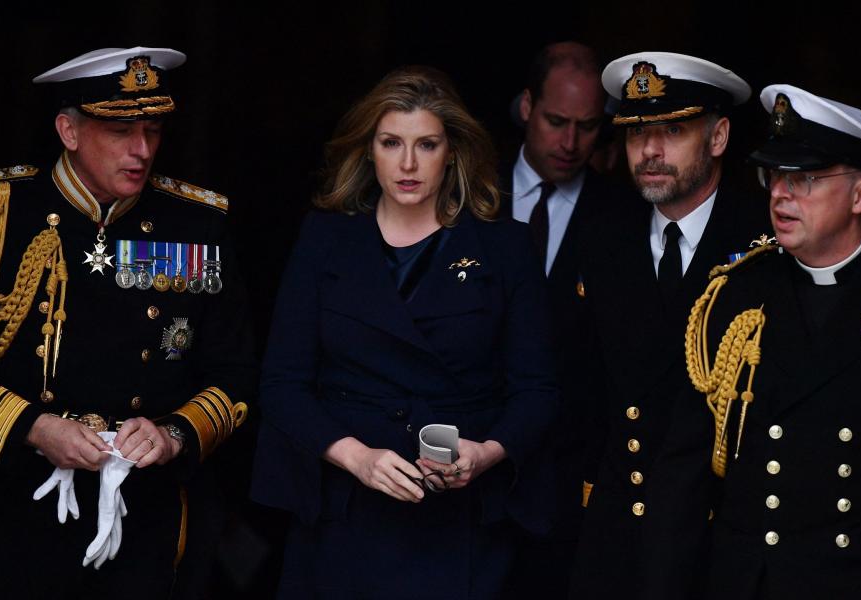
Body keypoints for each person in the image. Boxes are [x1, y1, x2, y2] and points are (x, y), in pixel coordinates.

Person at [250, 66, 559, 599]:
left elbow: (539, 390)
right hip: (343, 518)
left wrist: (486, 453)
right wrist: (357, 458)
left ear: (453, 151)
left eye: (427, 144)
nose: (409, 164)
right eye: (392, 142)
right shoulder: (325, 237)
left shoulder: (504, 247)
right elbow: (282, 384)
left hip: (458, 527)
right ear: (369, 149)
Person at [0, 47, 256, 599]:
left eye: (152, 130)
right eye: (121, 131)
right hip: (17, 507)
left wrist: (173, 434)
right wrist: (33, 426)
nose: (142, 150)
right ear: (68, 131)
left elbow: (237, 372)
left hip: (149, 514)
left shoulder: (197, 223)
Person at [685, 85, 861, 599]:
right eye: (774, 176)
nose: (779, 194)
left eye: (805, 179)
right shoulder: (737, 292)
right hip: (753, 580)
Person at [571, 52, 771, 600]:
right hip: (619, 536)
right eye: (637, 134)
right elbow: (579, 391)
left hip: (719, 544)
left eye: (674, 130)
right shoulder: (602, 238)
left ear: (719, 136)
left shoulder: (766, 243)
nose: (650, 152)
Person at [501, 41, 628, 596]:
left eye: (588, 126)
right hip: (457, 462)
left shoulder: (623, 216)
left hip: (564, 481)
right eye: (556, 121)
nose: (571, 143)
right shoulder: (466, 191)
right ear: (527, 105)